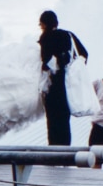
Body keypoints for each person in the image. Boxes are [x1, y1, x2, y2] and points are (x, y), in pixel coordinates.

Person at [37, 10, 89, 146]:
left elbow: (44, 63)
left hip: (52, 88)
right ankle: (65, 156)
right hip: (68, 85)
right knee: (65, 123)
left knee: (53, 124)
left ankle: (53, 158)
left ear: (44, 23)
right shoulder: (69, 35)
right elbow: (84, 54)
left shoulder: (45, 38)